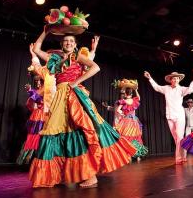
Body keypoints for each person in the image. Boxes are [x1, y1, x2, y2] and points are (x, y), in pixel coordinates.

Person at [29, 27, 136, 188]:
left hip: (74, 95)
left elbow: (95, 67)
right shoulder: (54, 57)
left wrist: (76, 82)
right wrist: (46, 31)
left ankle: (90, 175)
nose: (68, 43)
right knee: (57, 131)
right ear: (62, 43)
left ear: (75, 44)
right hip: (59, 97)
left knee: (79, 130)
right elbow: (37, 49)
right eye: (66, 41)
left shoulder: (78, 56)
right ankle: (57, 174)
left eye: (71, 41)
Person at [144, 70, 193, 164]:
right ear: (170, 80)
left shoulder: (181, 89)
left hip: (179, 115)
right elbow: (156, 87)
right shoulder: (166, 88)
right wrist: (150, 78)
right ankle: (183, 156)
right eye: (174, 78)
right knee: (176, 138)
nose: (175, 80)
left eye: (177, 78)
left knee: (180, 136)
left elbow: (191, 89)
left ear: (179, 80)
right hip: (169, 115)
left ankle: (178, 159)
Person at [16, 78, 44, 165]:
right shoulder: (37, 91)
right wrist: (31, 91)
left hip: (44, 116)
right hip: (37, 116)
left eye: (40, 82)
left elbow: (38, 98)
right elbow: (31, 102)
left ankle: (37, 159)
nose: (38, 84)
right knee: (33, 136)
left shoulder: (47, 91)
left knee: (41, 137)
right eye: (37, 82)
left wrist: (31, 91)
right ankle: (26, 158)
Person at [115, 87, 148, 161]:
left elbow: (117, 110)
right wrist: (136, 90)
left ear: (125, 94)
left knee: (126, 137)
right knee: (136, 137)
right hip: (134, 121)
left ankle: (128, 155)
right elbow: (139, 97)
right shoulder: (134, 100)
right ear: (131, 94)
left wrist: (122, 113)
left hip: (126, 121)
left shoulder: (123, 101)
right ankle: (138, 155)